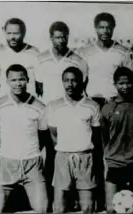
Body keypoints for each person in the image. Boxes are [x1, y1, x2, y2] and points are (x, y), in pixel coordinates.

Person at [0, 64, 49, 213]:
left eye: (21, 79)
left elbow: (42, 136)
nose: (18, 84)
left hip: (32, 163)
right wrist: (10, 152)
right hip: (7, 163)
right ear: (7, 82)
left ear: (28, 80)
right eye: (13, 80)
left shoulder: (40, 106)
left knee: (42, 208)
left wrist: (29, 152)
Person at [45, 67, 101, 213]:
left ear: (82, 82)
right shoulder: (54, 106)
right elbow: (53, 134)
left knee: (87, 207)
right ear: (62, 82)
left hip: (85, 158)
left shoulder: (92, 106)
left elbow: (95, 134)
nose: (70, 84)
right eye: (66, 81)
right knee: (59, 207)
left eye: (74, 80)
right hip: (63, 158)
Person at [101, 67, 133, 213]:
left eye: (128, 83)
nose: (125, 86)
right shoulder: (108, 108)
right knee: (112, 210)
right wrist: (111, 154)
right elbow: (104, 137)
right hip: (116, 164)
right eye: (121, 83)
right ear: (115, 85)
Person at [76, 13, 131, 103]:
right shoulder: (85, 52)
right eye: (101, 28)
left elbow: (128, 81)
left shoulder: (123, 52)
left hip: (115, 101)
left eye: (109, 28)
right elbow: (81, 80)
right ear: (96, 29)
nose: (105, 31)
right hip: (92, 100)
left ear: (113, 29)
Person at [35, 21, 88, 105]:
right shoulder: (40, 59)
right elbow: (39, 87)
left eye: (64, 37)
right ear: (51, 37)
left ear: (68, 37)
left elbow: (82, 88)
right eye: (57, 37)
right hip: (48, 106)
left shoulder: (78, 61)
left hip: (69, 107)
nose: (61, 41)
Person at [0, 18, 40, 97]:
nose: (12, 37)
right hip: (5, 102)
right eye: (9, 33)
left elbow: (39, 83)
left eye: (16, 33)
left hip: (28, 102)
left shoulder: (34, 53)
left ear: (23, 33)